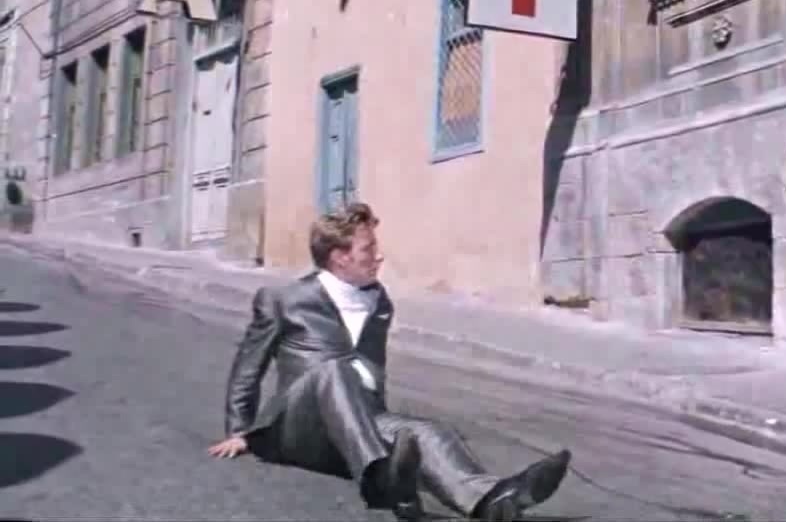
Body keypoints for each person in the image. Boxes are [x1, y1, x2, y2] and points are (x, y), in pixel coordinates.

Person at [207, 202, 572, 521]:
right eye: (368, 249)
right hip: (296, 427)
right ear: (340, 257)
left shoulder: (378, 300)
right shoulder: (284, 299)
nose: (379, 257)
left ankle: (491, 498)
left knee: (428, 432)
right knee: (333, 370)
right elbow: (248, 365)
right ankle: (382, 478)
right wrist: (239, 431)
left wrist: (386, 428)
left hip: (355, 425)